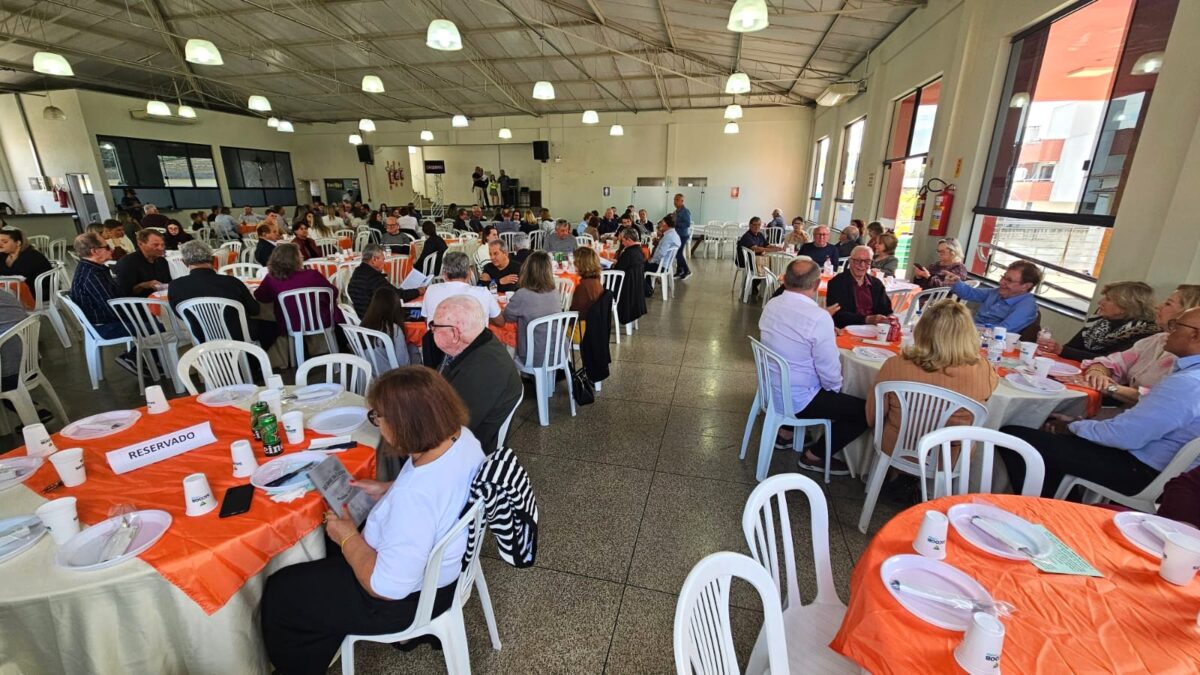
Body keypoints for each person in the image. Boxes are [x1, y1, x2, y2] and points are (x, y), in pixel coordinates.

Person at [261, 366, 482, 674]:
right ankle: (328, 625)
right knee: (330, 544)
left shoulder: (414, 497)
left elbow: (386, 587)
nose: (377, 424)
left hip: (409, 600)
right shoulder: (461, 438)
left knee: (282, 592)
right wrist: (386, 490)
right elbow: (440, 494)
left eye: (378, 417)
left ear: (405, 424)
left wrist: (348, 537)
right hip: (441, 569)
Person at [999, 307, 1200, 499]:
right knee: (1046, 435)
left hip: (1141, 469)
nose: (1169, 332)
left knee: (1014, 438)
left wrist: (1072, 427)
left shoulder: (1188, 383)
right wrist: (1079, 425)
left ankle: (1056, 509)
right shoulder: (1188, 375)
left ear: (1195, 335)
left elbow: (1125, 436)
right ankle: (1057, 500)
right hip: (1154, 463)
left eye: (1176, 326)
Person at [866, 300, 999, 497]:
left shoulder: (895, 365)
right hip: (950, 455)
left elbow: (873, 416)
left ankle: (898, 478)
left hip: (897, 446)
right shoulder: (984, 370)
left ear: (923, 330)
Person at [759, 259, 865, 475]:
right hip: (798, 400)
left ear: (785, 280)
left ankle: (787, 433)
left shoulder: (772, 304)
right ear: (817, 285)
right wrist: (836, 391)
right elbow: (830, 373)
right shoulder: (818, 318)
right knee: (866, 411)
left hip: (771, 389)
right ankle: (815, 455)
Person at [1080, 285, 1200, 407]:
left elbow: (1157, 398)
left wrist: (1108, 387)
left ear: (1190, 313)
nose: (1158, 306)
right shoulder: (1157, 339)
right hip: (1126, 412)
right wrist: (1098, 373)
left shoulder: (1189, 360)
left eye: (1168, 304)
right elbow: (1114, 362)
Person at [432, 296, 522, 454]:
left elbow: (447, 432)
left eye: (435, 326)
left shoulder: (483, 370)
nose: (431, 330)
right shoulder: (475, 341)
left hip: (464, 451)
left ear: (455, 333)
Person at [168, 240, 277, 350]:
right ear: (213, 259)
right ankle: (252, 361)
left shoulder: (175, 286)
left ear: (184, 262)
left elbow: (180, 315)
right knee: (272, 327)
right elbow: (254, 310)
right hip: (238, 336)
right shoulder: (232, 282)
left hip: (203, 337)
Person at [1038, 281, 1158, 362]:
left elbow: (1110, 361)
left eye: (1108, 299)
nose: (1100, 302)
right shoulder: (1100, 320)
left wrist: (1061, 350)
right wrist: (1054, 347)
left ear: (1125, 307)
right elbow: (1071, 347)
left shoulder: (1141, 332)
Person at [69, 233, 137, 373]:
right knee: (157, 327)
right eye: (106, 247)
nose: (111, 249)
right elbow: (111, 307)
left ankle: (145, 359)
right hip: (104, 325)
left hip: (103, 319)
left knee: (151, 319)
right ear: (94, 251)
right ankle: (133, 358)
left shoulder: (93, 268)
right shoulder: (92, 275)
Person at [253, 243, 344, 334]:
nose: (303, 256)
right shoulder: (313, 275)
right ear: (294, 259)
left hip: (289, 324)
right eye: (300, 255)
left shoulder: (271, 278)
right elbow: (333, 292)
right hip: (320, 320)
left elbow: (261, 297)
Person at [493, 251, 560, 366]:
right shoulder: (555, 292)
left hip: (533, 355)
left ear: (527, 270)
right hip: (558, 351)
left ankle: (508, 374)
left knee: (503, 337)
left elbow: (507, 318)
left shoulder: (522, 294)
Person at [949, 260, 1040, 333]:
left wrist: (965, 327)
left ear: (1026, 286)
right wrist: (956, 282)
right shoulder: (996, 292)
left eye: (1009, 280)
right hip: (970, 333)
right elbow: (970, 293)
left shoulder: (1027, 307)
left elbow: (1002, 330)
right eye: (1003, 277)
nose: (1001, 282)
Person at [825, 245, 894, 328]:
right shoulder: (837, 283)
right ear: (850, 261)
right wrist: (867, 319)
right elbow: (838, 316)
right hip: (847, 330)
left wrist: (887, 319)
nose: (862, 265)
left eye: (867, 261)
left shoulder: (877, 284)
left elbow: (886, 310)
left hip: (874, 330)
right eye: (857, 261)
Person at [421, 251, 500, 322]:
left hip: (439, 337)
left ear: (444, 275)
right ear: (469, 274)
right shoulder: (483, 293)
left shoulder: (431, 291)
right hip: (474, 338)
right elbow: (500, 322)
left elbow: (427, 320)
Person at [348, 244, 418, 316]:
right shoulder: (373, 277)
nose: (384, 263)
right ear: (374, 259)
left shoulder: (358, 271)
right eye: (383, 259)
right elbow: (399, 296)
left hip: (362, 317)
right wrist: (419, 291)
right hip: (375, 321)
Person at [359, 287, 411, 375]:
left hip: (367, 373)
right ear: (395, 307)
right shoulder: (393, 329)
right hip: (390, 376)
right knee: (414, 350)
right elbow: (403, 363)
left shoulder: (364, 325)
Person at [735, 217, 783, 300]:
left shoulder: (760, 234)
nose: (757, 227)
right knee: (768, 268)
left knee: (769, 266)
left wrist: (775, 247)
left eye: (759, 225)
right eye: (754, 225)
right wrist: (771, 250)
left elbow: (766, 244)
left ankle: (758, 286)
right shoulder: (747, 236)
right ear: (750, 225)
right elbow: (755, 249)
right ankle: (763, 287)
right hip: (746, 261)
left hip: (756, 260)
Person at [114, 229, 170, 298]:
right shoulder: (127, 263)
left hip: (161, 299)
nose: (161, 248)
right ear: (140, 244)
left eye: (162, 245)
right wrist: (144, 285)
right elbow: (124, 292)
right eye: (156, 245)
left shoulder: (161, 261)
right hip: (139, 303)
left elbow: (167, 283)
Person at [0, 227, 53, 300]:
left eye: (5, 242)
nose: (0, 244)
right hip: (15, 290)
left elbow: (15, 277)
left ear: (18, 243)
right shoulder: (3, 255)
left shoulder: (31, 256)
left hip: (37, 292)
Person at [613, 227, 647, 328]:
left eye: (623, 241)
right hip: (634, 288)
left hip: (624, 289)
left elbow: (617, 272)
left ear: (629, 240)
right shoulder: (638, 251)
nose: (622, 243)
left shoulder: (628, 253)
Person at [645, 215, 681, 297]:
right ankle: (648, 288)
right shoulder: (674, 234)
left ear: (666, 224)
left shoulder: (668, 236)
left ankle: (647, 290)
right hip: (667, 264)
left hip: (660, 266)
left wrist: (652, 260)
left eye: (662, 222)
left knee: (639, 266)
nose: (661, 224)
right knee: (643, 263)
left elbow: (661, 253)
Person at [569, 246, 604, 317]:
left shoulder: (583, 285)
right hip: (593, 321)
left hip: (581, 324)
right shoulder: (596, 279)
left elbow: (576, 312)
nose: (573, 263)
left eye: (575, 261)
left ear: (580, 264)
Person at [672, 193, 692, 280]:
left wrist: (676, 223)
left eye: (677, 200)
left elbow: (687, 224)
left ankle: (687, 270)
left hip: (682, 235)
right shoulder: (676, 211)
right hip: (676, 235)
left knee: (678, 253)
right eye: (674, 200)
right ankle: (679, 271)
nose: (675, 202)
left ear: (682, 201)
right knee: (676, 253)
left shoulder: (685, 211)